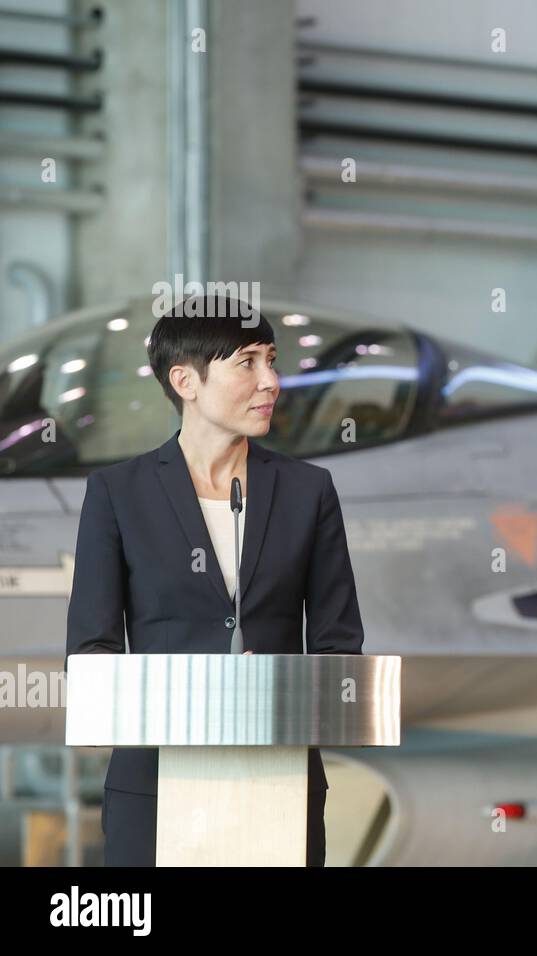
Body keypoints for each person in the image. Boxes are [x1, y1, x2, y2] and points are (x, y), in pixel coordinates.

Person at [65, 294, 365, 866]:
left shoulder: (309, 492)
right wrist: (196, 691)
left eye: (272, 361)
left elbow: (339, 652)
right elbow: (91, 655)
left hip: (278, 784)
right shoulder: (118, 494)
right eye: (247, 363)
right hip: (153, 788)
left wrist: (278, 685)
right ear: (186, 380)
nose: (271, 381)